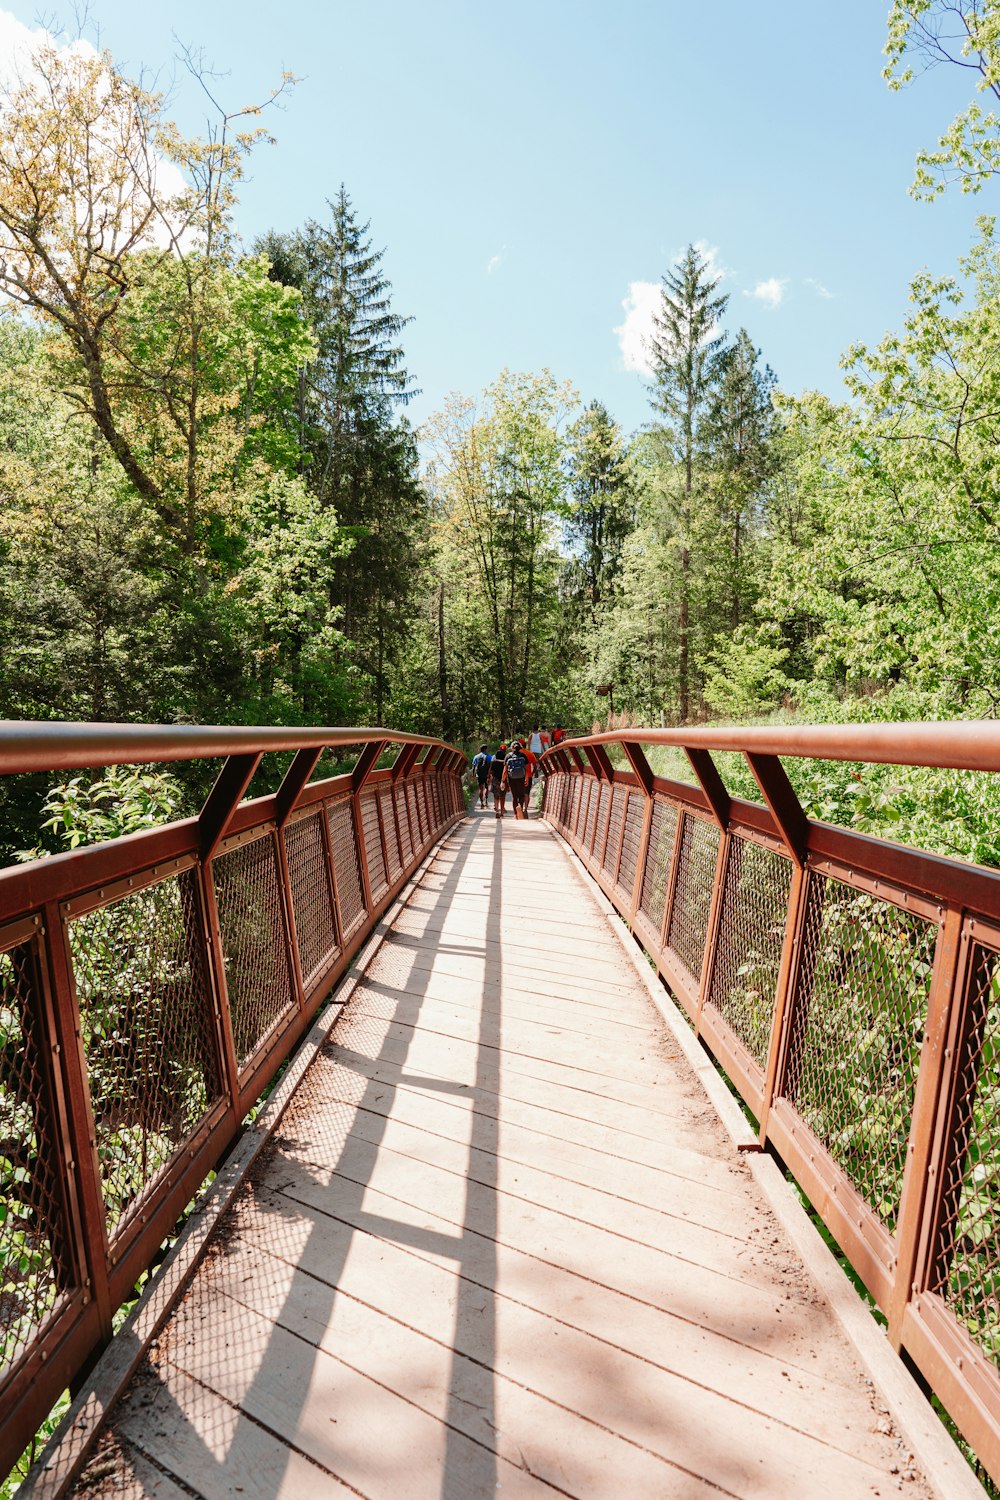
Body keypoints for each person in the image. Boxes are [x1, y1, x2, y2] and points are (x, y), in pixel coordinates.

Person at [503, 739, 534, 819]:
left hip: (511, 778)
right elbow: (527, 768)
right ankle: (520, 808)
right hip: (521, 777)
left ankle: (515, 814)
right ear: (520, 747)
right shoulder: (523, 756)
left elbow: (505, 770)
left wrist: (503, 781)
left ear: (512, 748)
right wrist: (527, 778)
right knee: (521, 795)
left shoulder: (508, 756)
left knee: (514, 796)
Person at [470, 743, 492, 808]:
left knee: (480, 788)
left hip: (479, 774)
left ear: (480, 749)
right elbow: (491, 766)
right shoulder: (489, 756)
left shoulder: (476, 756)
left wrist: (473, 775)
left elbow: (474, 767)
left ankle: (481, 802)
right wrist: (490, 774)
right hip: (486, 774)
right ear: (485, 749)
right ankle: (486, 801)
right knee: (487, 788)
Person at [489, 744, 508, 817]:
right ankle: (502, 811)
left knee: (496, 796)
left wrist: (489, 779)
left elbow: (491, 772)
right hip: (503, 780)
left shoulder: (494, 762)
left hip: (495, 780)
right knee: (502, 796)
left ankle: (497, 810)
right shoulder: (505, 763)